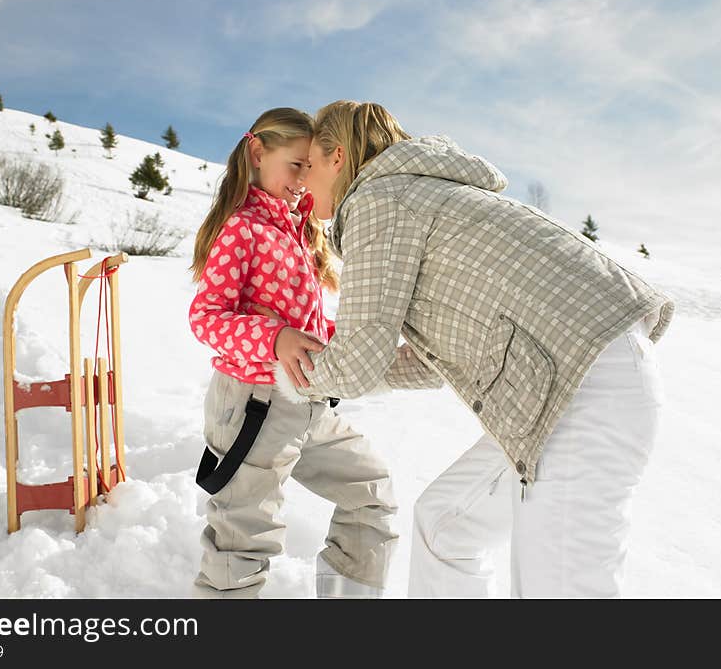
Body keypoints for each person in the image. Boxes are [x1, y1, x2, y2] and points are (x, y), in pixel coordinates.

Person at [273, 100, 675, 598]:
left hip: (581, 389)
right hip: (580, 382)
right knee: (446, 525)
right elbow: (423, 364)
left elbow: (355, 366)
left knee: (560, 589)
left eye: (308, 165)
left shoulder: (382, 198)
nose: (303, 182)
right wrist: (346, 360)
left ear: (337, 158)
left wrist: (291, 368)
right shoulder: (426, 194)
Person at [187, 107, 398, 598]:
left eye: (312, 167)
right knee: (243, 539)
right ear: (258, 153)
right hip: (253, 406)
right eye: (295, 165)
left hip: (307, 403)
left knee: (371, 493)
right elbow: (206, 317)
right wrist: (274, 338)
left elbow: (303, 322)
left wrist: (337, 338)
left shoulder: (298, 231)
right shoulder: (243, 228)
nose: (305, 180)